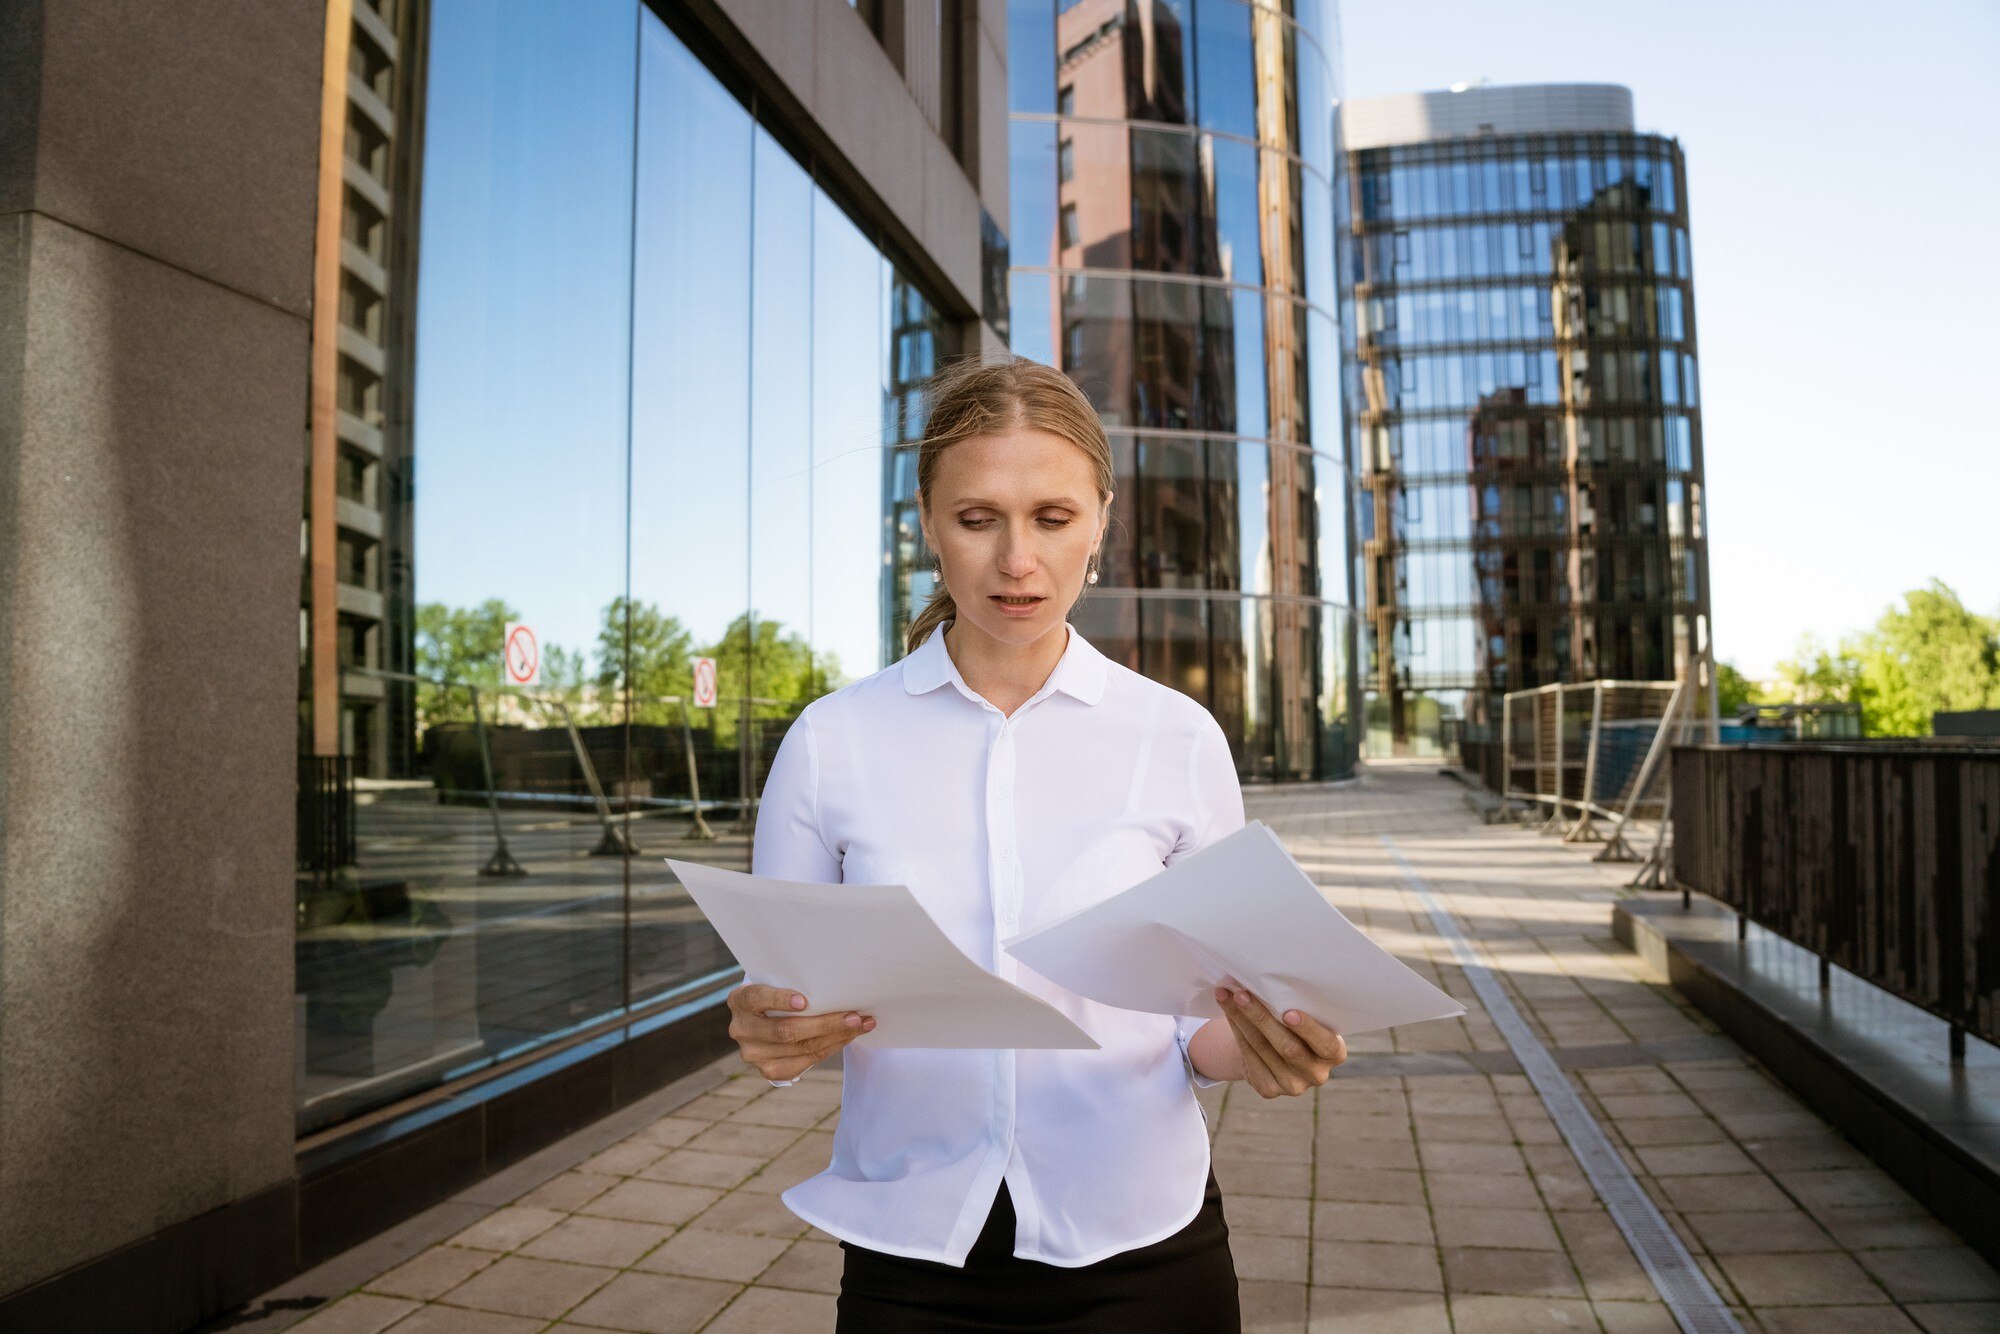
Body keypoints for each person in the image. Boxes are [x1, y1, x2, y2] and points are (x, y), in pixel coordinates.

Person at [728, 357, 1347, 1332]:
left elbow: (1200, 1030)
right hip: (910, 1251)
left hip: (1142, 1245)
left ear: (1099, 517)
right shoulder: (830, 740)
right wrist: (770, 1033)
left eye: (1051, 517)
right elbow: (785, 1013)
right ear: (928, 523)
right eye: (977, 519)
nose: (1017, 559)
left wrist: (1270, 1044)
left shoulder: (1175, 738)